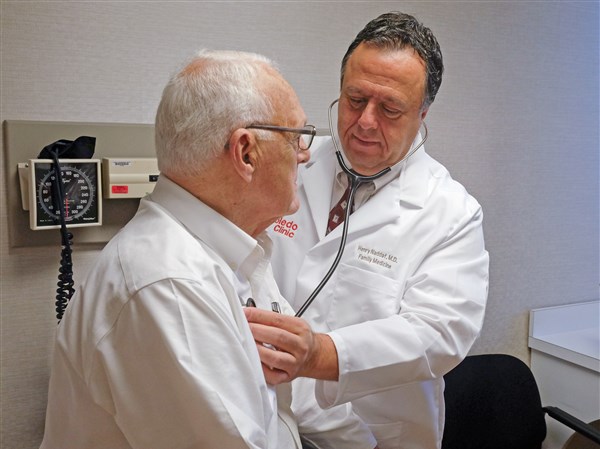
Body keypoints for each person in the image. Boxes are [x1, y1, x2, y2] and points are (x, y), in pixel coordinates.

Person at [39, 49, 377, 449]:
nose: (305, 155)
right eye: (297, 137)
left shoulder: (235, 253)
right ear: (246, 153)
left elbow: (293, 391)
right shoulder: (169, 285)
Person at [244, 12, 489, 449]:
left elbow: (440, 332)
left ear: (422, 113)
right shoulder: (292, 165)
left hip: (376, 435)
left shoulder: (450, 211)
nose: (366, 122)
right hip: (268, 419)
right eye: (355, 99)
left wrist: (321, 354)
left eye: (390, 109)